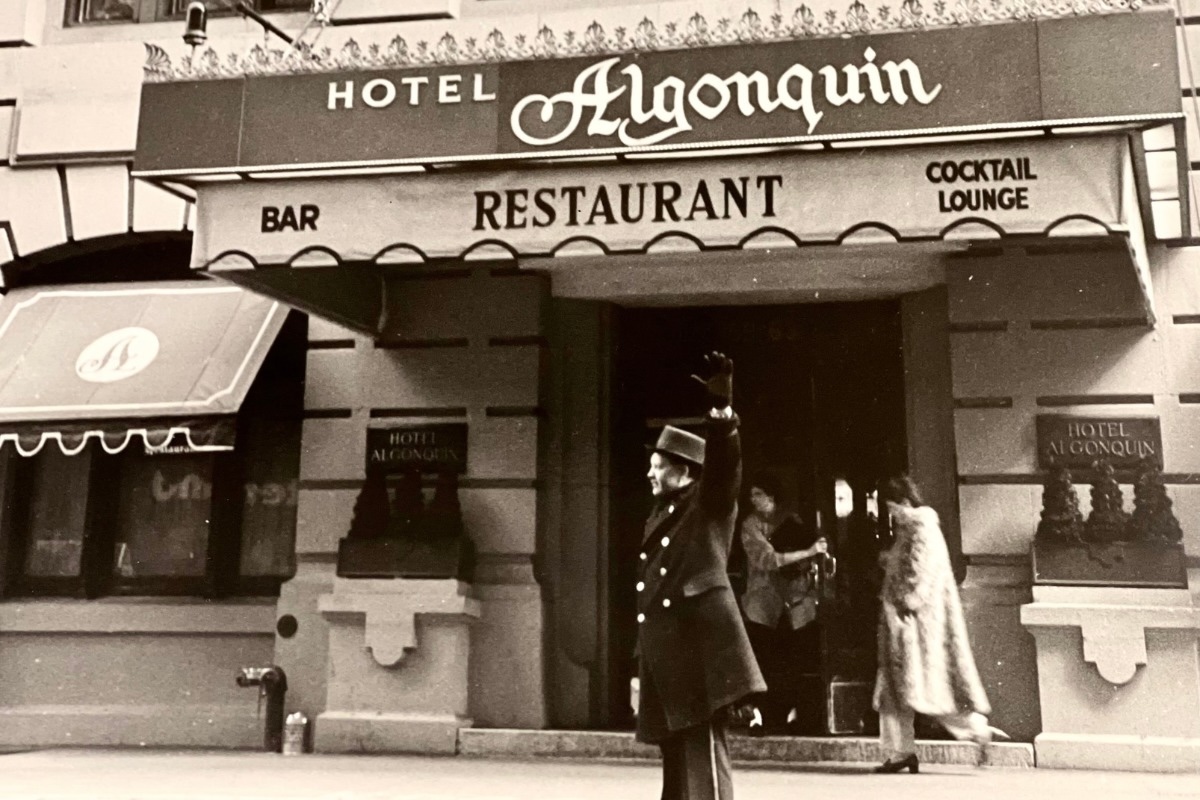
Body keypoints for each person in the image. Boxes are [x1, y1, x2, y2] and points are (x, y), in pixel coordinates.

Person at [635, 352, 765, 800]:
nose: (649, 472)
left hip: (699, 648)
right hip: (669, 649)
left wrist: (722, 416)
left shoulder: (707, 502)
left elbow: (725, 466)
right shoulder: (662, 513)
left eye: (658, 465)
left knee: (704, 758)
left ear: (684, 470)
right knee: (676, 762)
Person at [872, 474, 1008, 774]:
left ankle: (975, 730)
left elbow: (921, 572)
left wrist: (904, 605)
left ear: (905, 503)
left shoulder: (920, 527)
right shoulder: (914, 529)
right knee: (901, 692)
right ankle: (901, 752)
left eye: (893, 507)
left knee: (925, 692)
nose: (892, 514)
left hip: (913, 625)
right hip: (907, 622)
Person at [739, 473, 827, 734]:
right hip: (763, 603)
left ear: (771, 496)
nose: (753, 500)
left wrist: (806, 557)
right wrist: (807, 552)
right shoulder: (750, 525)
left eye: (758, 494)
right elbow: (765, 559)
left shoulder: (790, 519)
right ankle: (763, 718)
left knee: (793, 662)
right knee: (766, 661)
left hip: (794, 602)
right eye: (752, 495)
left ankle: (795, 715)